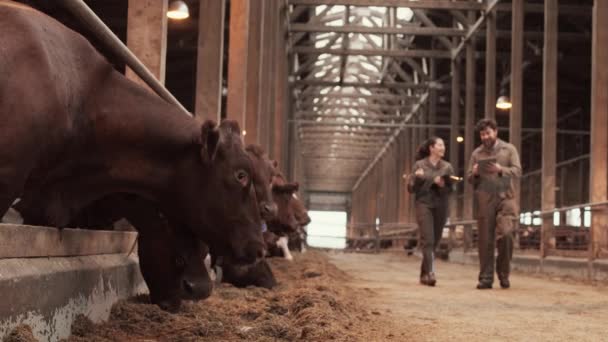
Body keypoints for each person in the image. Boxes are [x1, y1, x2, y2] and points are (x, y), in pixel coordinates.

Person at [467, 118, 522, 289]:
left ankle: (503, 273)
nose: (485, 137)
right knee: (485, 240)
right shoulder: (476, 154)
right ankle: (485, 278)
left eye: (488, 133)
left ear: (495, 132)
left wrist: (500, 169)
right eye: (482, 134)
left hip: (506, 197)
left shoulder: (509, 149)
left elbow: (518, 171)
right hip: (485, 199)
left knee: (506, 235)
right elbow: (469, 178)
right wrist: (475, 172)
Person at [408, 137, 455, 286]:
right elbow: (411, 188)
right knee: (427, 239)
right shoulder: (419, 165)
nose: (443, 147)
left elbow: (451, 189)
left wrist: (442, 184)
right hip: (424, 204)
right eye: (440, 145)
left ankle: (423, 273)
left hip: (441, 205)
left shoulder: (447, 167)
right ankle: (430, 273)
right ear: (431, 148)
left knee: (435, 241)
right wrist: (418, 178)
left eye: (443, 145)